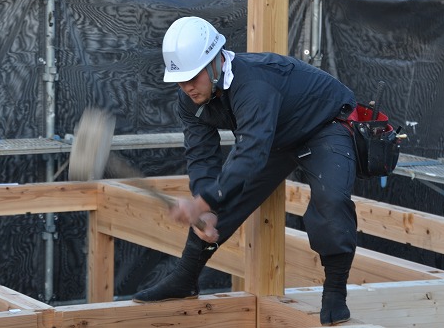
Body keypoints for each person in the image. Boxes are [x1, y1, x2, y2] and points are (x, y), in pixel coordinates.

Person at [133, 16, 358, 326]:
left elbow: (251, 153)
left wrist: (202, 202)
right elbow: (201, 154)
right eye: (180, 80)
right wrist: (204, 204)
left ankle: (335, 291)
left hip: (323, 125)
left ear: (215, 62)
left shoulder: (253, 84)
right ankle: (185, 278)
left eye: (193, 77)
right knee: (219, 198)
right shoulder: (190, 99)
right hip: (275, 134)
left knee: (331, 200)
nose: (186, 87)